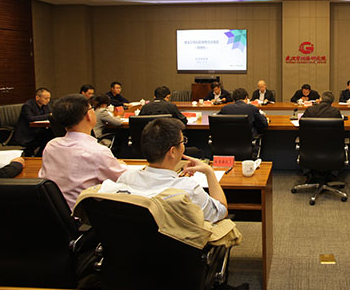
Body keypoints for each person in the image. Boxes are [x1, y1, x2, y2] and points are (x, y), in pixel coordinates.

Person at [98, 118, 228, 223]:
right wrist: (209, 172)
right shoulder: (187, 189)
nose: (183, 146)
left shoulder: (125, 179)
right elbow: (220, 211)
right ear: (172, 151)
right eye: (182, 142)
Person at [38, 94, 127, 209]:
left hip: (55, 212)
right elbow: (123, 179)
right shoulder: (97, 152)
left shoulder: (51, 146)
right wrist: (120, 165)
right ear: (88, 115)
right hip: (83, 214)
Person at [13, 87, 53, 157]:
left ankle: (39, 155)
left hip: (39, 130)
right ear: (37, 97)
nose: (48, 100)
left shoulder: (45, 105)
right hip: (28, 132)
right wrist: (48, 115)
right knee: (49, 135)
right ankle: (37, 156)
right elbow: (31, 118)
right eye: (46, 98)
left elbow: (49, 114)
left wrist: (49, 115)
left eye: (49, 98)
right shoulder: (27, 106)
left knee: (52, 133)